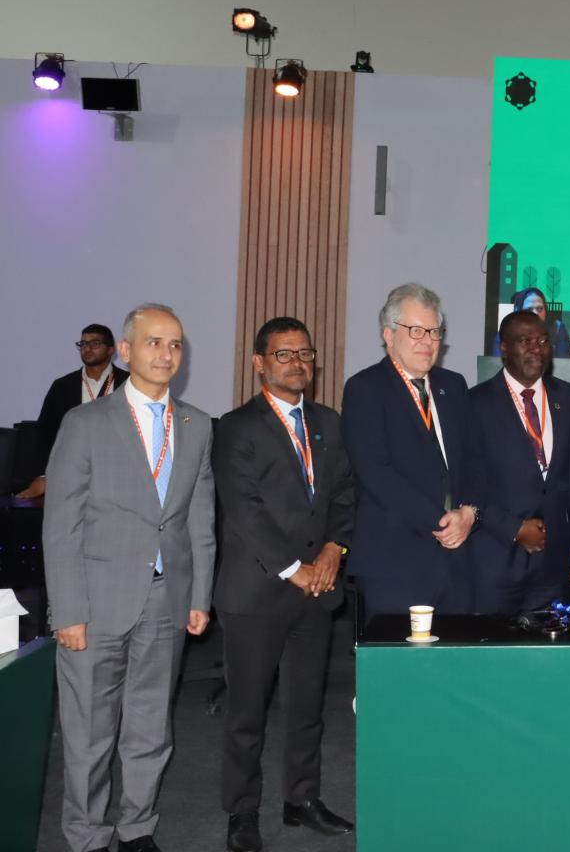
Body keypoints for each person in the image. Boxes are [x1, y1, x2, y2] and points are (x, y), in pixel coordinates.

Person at [43, 304, 215, 852]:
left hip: (167, 600)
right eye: (154, 342)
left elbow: (200, 519)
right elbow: (61, 524)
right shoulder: (85, 422)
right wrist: (67, 609)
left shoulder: (197, 424)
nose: (166, 354)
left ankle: (138, 827)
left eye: (175, 344)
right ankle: (88, 834)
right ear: (125, 350)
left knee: (149, 727)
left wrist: (199, 595)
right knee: (89, 733)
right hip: (94, 604)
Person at [213, 318, 356, 850]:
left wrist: (332, 552)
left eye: (305, 353)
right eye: (283, 354)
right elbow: (245, 510)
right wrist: (296, 569)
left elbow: (344, 495)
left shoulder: (329, 422)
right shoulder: (236, 426)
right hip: (257, 594)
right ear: (259, 363)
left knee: (306, 707)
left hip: (317, 590)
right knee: (247, 713)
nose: (298, 363)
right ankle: (242, 812)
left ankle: (301, 799)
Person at [340, 283, 477, 615]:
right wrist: (442, 521)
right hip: (394, 561)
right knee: (399, 667)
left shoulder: (453, 385)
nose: (427, 341)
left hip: (456, 559)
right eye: (416, 330)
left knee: (453, 665)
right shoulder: (365, 389)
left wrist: (470, 512)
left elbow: (473, 460)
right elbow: (375, 472)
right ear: (389, 335)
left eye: (434, 332)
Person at [465, 309, 570, 612]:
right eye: (525, 341)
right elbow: (466, 483)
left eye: (544, 340)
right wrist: (513, 528)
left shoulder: (569, 398)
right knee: (495, 656)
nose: (536, 348)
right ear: (504, 347)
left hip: (554, 565)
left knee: (548, 658)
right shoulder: (473, 403)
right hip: (495, 560)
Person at [21, 323, 129, 499]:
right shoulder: (62, 386)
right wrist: (43, 476)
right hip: (71, 478)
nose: (87, 349)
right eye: (83, 344)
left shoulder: (129, 384)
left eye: (95, 344)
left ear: (111, 350)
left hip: (119, 478)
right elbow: (45, 434)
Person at [511, 286, 570, 358]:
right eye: (529, 310)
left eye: (539, 309)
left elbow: (566, 365)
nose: (536, 313)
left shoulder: (557, 329)